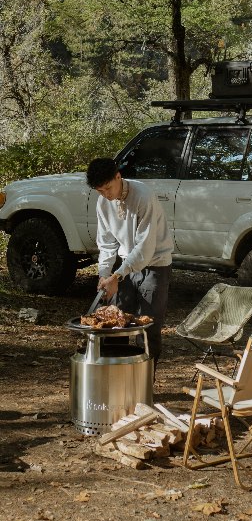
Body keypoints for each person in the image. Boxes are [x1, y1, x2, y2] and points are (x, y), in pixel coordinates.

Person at [86, 157, 173, 372]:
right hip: (125, 266)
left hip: (155, 265)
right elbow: (106, 243)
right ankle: (117, 379)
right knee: (116, 324)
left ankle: (144, 385)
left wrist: (117, 276)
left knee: (147, 328)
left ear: (118, 176)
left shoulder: (143, 196)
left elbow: (145, 249)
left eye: (108, 187)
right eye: (100, 191)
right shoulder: (102, 203)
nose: (106, 194)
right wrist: (104, 274)